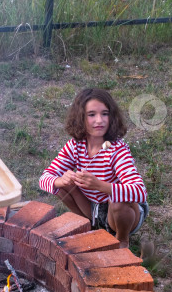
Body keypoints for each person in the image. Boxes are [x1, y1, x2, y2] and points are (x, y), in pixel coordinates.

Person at [39, 88, 148, 249]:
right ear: (80, 118)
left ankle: (122, 240)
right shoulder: (75, 146)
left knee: (118, 200)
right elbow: (44, 179)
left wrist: (99, 186)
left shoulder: (117, 149)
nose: (100, 120)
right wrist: (59, 180)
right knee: (62, 185)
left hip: (122, 215)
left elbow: (140, 192)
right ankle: (88, 225)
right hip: (94, 210)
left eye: (105, 113)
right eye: (92, 115)